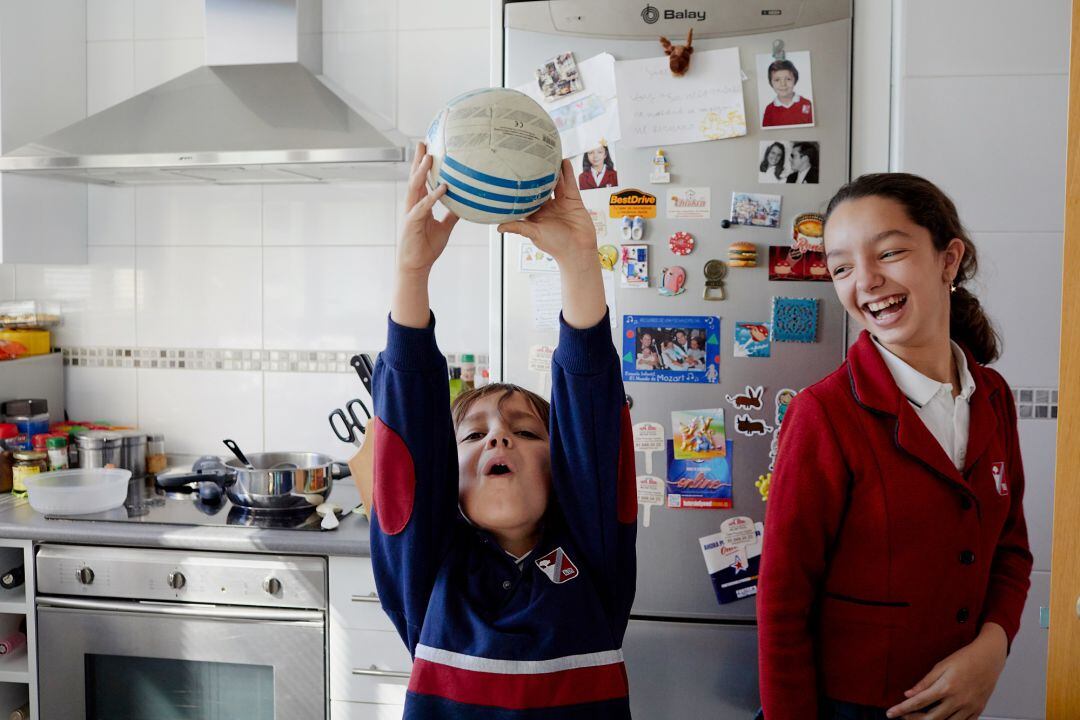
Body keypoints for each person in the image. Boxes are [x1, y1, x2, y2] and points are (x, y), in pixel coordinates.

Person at [368, 143, 637, 719]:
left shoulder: (593, 562)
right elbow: (408, 437)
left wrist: (578, 261)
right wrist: (411, 271)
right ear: (448, 478)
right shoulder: (428, 574)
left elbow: (592, 418)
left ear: (561, 468)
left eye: (527, 432)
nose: (498, 438)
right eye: (473, 435)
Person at [757, 173, 1032, 720]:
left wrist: (993, 647)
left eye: (889, 252)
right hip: (852, 708)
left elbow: (1011, 549)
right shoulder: (825, 414)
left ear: (947, 260)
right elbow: (783, 602)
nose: (867, 281)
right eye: (841, 268)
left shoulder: (993, 396)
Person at [762, 59, 813, 128]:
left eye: (788, 79)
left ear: (795, 80)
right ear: (771, 83)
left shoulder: (806, 104)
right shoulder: (769, 110)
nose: (783, 84)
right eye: (777, 80)